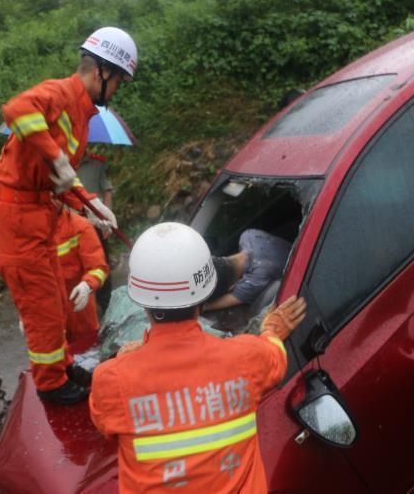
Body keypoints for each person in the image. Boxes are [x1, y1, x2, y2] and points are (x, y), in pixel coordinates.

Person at [0, 27, 137, 406]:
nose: (116, 90)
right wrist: (54, 156)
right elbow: (16, 109)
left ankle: (63, 366)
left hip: (37, 211)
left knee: (55, 301)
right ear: (101, 71)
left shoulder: (82, 117)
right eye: (118, 81)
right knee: (43, 308)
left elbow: (61, 177)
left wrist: (90, 204)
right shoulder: (60, 93)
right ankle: (50, 384)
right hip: (14, 215)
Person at [89, 222, 306, 492]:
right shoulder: (249, 357)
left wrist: (132, 358)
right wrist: (272, 330)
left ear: (142, 302)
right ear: (205, 293)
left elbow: (107, 427)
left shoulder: (111, 380)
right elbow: (275, 356)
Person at [54, 205, 109, 345]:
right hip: (50, 314)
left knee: (87, 358)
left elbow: (98, 266)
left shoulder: (79, 226)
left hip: (80, 311)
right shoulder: (30, 232)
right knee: (52, 362)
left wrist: (87, 285)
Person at [204, 228, 292, 312]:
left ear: (233, 285)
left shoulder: (256, 279)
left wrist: (203, 307)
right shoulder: (248, 235)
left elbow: (232, 298)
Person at [76, 149, 114, 313]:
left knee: (102, 262)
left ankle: (106, 304)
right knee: (76, 264)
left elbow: (107, 191)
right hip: (73, 222)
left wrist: (105, 215)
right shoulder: (63, 164)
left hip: (97, 221)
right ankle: (82, 303)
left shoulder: (97, 163)